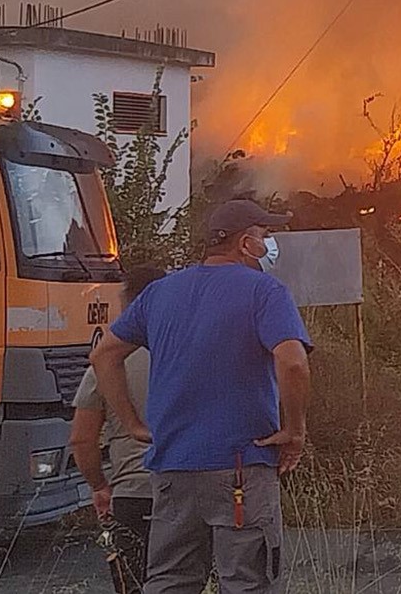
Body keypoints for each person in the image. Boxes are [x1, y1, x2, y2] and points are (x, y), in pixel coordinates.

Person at [92, 200, 313, 594]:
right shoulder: (266, 291)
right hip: (241, 466)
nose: (270, 244)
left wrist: (131, 424)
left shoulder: (159, 292)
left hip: (172, 468)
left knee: (170, 580)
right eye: (266, 236)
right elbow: (293, 363)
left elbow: (104, 354)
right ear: (247, 244)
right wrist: (294, 429)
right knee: (248, 582)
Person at [72, 264, 167, 594]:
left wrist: (99, 486)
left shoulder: (106, 361)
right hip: (185, 489)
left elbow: (82, 438)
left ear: (127, 305)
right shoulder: (185, 352)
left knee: (135, 584)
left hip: (131, 493)